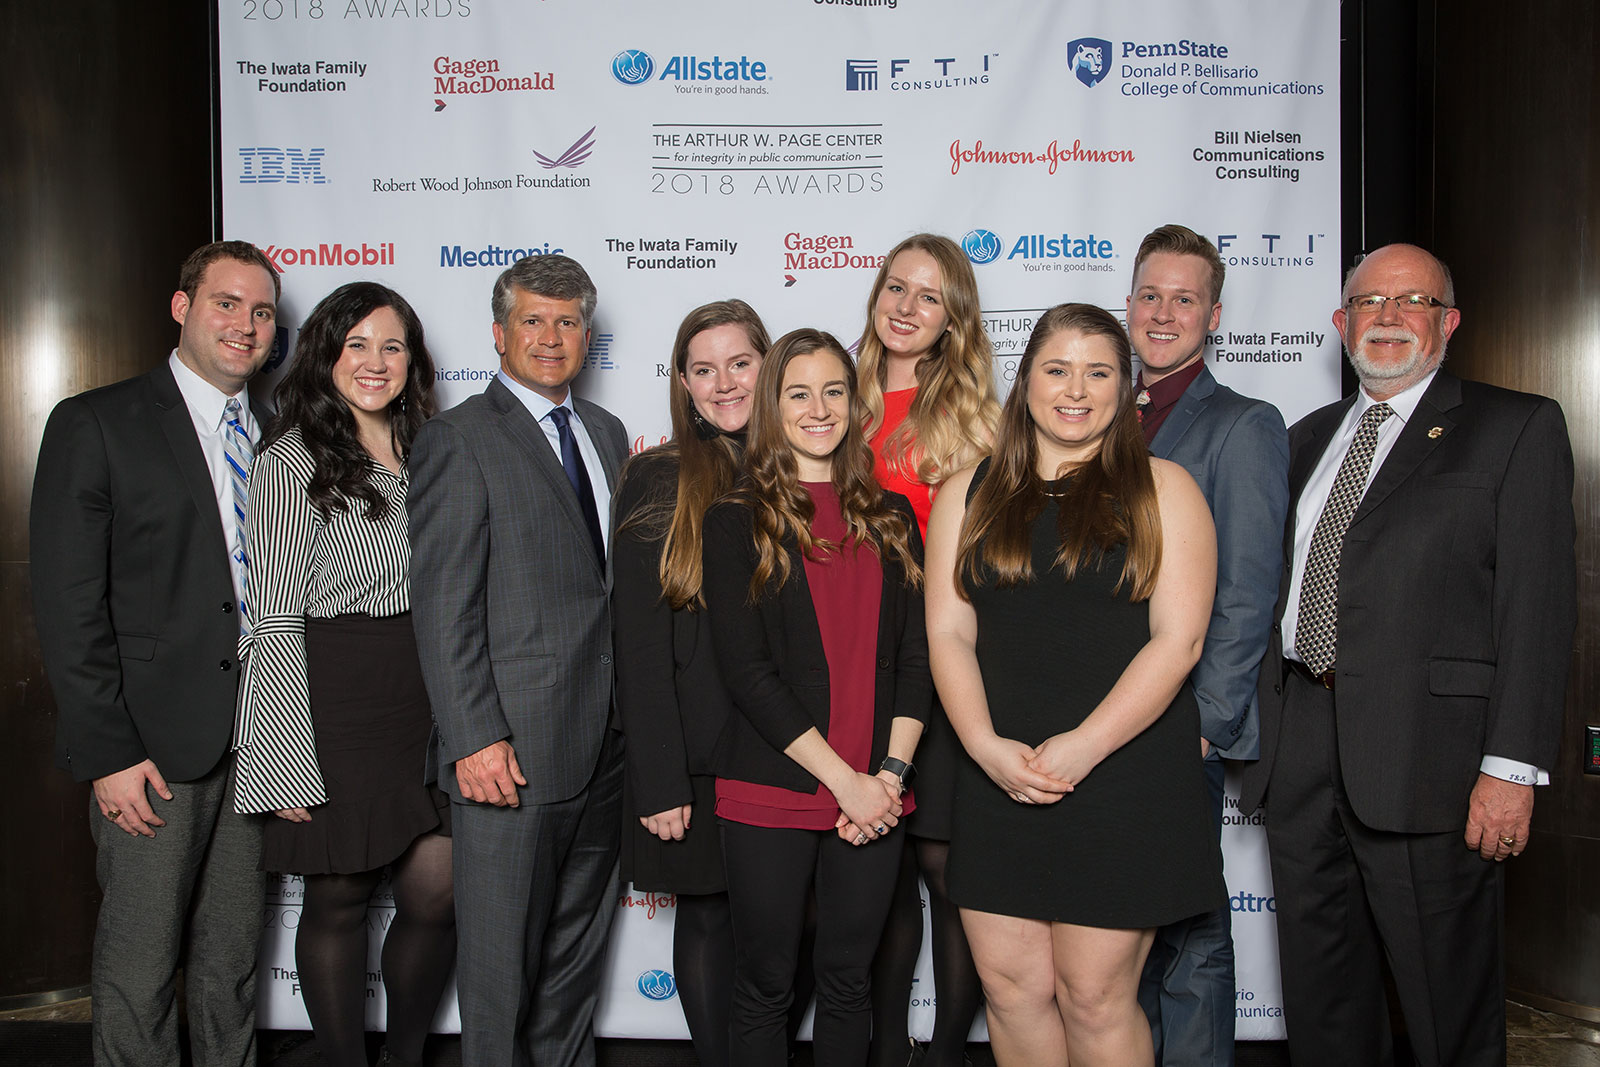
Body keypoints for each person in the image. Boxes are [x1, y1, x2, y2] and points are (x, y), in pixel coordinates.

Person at [1238, 243, 1577, 1067]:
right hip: (1302, 747)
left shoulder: (1514, 426)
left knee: (1446, 1014)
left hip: (1436, 764)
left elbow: (1537, 610)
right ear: (1340, 323)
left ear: (1449, 322)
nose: (1387, 317)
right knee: (1324, 1005)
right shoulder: (1302, 439)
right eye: (1369, 302)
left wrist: (1513, 767)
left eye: (1412, 301)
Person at [927, 303, 1223, 1067]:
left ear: (1127, 389)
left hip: (1123, 773)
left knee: (1095, 994)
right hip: (998, 771)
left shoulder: (1166, 488)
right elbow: (949, 632)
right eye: (1057, 369)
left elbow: (1179, 641)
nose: (1076, 389)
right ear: (1025, 380)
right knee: (1012, 991)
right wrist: (986, 747)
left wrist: (1084, 747)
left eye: (1099, 372)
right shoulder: (967, 491)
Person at [30, 240, 278, 1066]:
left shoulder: (278, 434)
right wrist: (110, 751)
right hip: (150, 750)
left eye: (263, 311)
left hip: (257, 745)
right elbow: (68, 606)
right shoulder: (98, 421)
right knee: (140, 972)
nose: (245, 325)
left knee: (231, 965)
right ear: (182, 308)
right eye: (226, 303)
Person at [406, 254, 629, 1067]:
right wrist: (473, 737)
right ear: (498, 332)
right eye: (532, 320)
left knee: (574, 966)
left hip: (605, 747)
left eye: (567, 321)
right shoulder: (457, 441)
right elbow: (442, 606)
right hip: (509, 752)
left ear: (587, 335)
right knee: (500, 974)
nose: (550, 336)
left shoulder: (605, 435)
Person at [231, 282, 453, 1067]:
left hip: (432, 688)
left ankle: (406, 1054)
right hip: (337, 692)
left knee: (437, 893)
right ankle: (341, 1056)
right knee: (339, 896)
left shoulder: (435, 447)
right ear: (325, 353)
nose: (375, 361)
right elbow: (277, 613)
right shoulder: (292, 459)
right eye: (356, 343)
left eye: (392, 345)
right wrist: (284, 756)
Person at [702, 328, 932, 1066]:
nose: (819, 407)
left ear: (854, 402)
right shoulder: (735, 518)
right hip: (776, 788)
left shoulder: (892, 516)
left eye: (834, 389)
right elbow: (747, 672)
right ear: (774, 405)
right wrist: (847, 785)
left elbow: (916, 657)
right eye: (799, 392)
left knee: (846, 983)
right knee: (767, 983)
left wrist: (888, 780)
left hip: (878, 790)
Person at [1124, 225, 1289, 1067]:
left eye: (1184, 298)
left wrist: (1208, 721)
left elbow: (1249, 590)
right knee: (1116, 934)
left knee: (1189, 931)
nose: (1164, 312)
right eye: (1150, 294)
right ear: (1127, 306)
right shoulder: (1090, 411)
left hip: (1178, 720)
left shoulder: (1246, 425)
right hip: (1094, 718)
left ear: (1213, 314)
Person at [613, 299, 770, 1067]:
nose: (724, 382)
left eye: (740, 362)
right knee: (710, 918)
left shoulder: (808, 465)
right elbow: (637, 642)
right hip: (700, 755)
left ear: (768, 365)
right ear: (681, 381)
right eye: (703, 369)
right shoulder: (656, 475)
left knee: (779, 923)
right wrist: (659, 777)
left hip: (792, 746)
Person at [854, 234, 999, 1067]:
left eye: (930, 297)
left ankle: (943, 1050)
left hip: (938, 661)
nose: (906, 308)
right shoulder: (833, 392)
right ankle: (882, 1046)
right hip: (845, 662)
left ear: (954, 320)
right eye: (896, 287)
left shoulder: (975, 417)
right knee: (874, 866)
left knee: (943, 863)